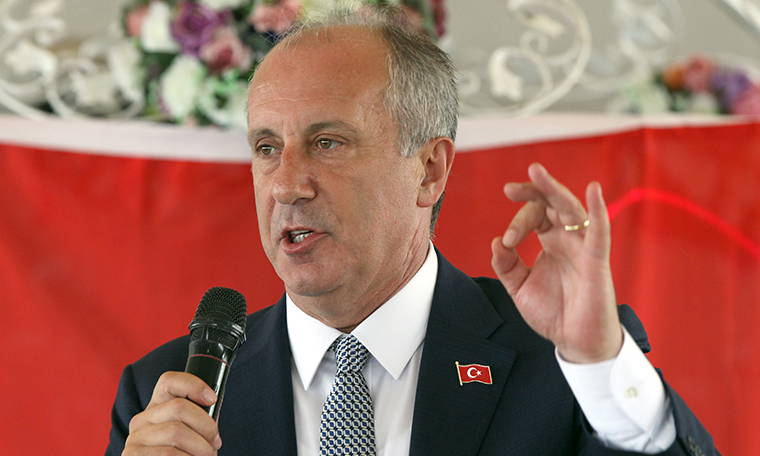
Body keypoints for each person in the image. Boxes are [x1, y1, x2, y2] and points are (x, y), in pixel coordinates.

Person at [106, 7, 718, 456]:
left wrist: (598, 363)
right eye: (267, 148)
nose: (286, 185)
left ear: (429, 170)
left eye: (327, 142)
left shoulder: (562, 365)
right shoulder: (168, 396)